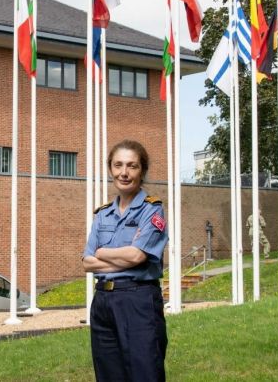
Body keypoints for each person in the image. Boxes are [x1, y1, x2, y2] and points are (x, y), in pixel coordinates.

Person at [82, 139, 168, 382]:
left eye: (132, 166)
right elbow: (87, 262)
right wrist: (125, 255)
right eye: (118, 165)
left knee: (145, 373)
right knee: (108, 375)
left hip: (137, 299)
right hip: (102, 302)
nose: (124, 172)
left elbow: (138, 256)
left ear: (142, 171)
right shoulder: (102, 214)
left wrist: (102, 252)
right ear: (110, 169)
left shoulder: (152, 210)